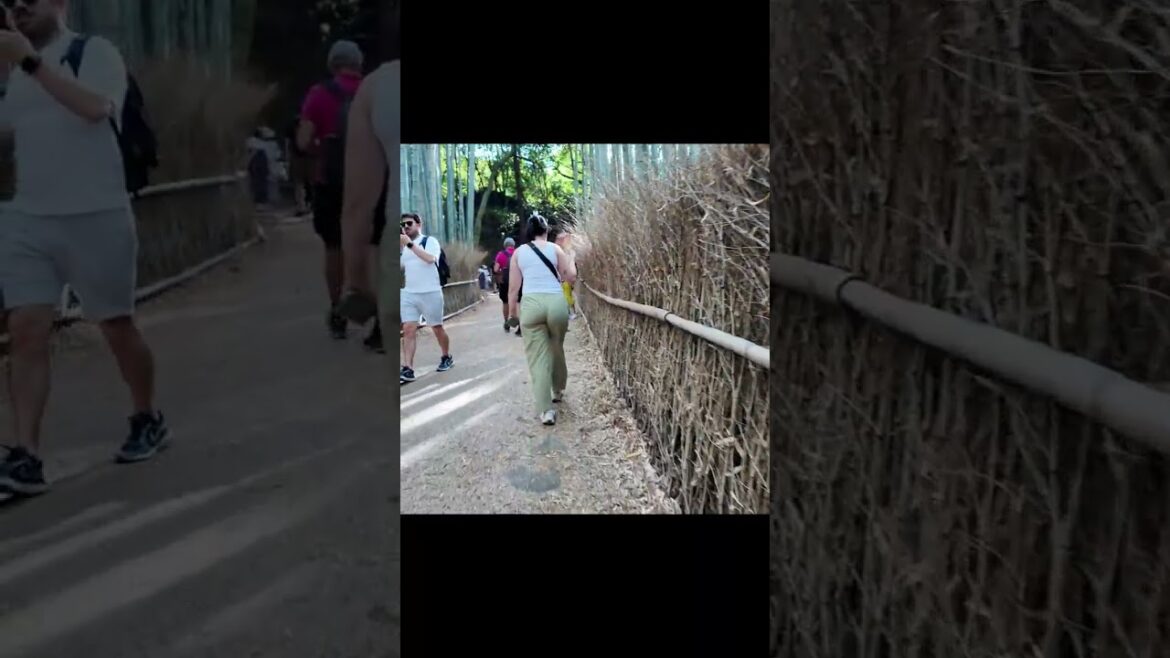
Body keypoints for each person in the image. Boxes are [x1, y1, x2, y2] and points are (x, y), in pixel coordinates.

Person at [0, 0, 169, 496]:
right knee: (26, 328)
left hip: (96, 214)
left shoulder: (92, 51)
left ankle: (147, 415)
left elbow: (96, 108)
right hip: (28, 217)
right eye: (11, 2)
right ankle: (26, 455)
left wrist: (30, 62)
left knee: (115, 323)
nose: (20, 7)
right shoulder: (11, 68)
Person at [297, 39, 368, 341]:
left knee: (334, 247)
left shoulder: (319, 94)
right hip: (370, 182)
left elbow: (303, 140)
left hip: (332, 182)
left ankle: (338, 308)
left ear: (332, 63)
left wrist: (321, 148)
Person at [507, 213, 577, 425]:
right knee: (556, 346)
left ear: (528, 232)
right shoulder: (556, 249)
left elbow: (513, 289)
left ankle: (546, 411)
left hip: (531, 305)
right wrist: (570, 255)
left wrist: (512, 314)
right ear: (547, 231)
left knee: (538, 358)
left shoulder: (518, 253)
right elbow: (570, 276)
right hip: (555, 303)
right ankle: (558, 390)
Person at [398, 212, 452, 384]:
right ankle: (408, 368)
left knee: (437, 327)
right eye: (403, 225)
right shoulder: (403, 247)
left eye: (409, 223)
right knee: (408, 328)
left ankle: (446, 356)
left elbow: (430, 259)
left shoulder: (430, 241)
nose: (406, 227)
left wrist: (410, 245)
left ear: (418, 224)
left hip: (430, 292)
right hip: (409, 293)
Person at [494, 237, 520, 335]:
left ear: (505, 245)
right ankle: (519, 324)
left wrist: (502, 272)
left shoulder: (501, 255)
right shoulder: (518, 252)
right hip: (517, 280)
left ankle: (506, 322)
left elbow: (496, 269)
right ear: (513, 245)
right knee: (518, 301)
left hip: (505, 282)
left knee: (505, 302)